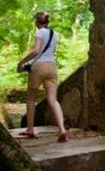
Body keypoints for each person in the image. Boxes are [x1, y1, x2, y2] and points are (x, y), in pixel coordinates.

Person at [16, 11, 68, 143]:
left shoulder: (39, 32)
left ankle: (30, 129)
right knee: (53, 100)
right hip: (52, 67)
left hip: (38, 67)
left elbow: (36, 50)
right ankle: (62, 129)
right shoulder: (55, 34)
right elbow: (51, 51)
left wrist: (22, 62)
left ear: (37, 22)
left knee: (31, 99)